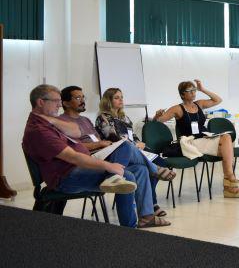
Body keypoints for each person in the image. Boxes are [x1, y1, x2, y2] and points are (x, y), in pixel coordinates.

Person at [22, 85, 166, 228]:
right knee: (127, 174)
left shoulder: (47, 122)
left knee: (139, 169)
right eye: (56, 101)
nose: (59, 105)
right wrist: (109, 166)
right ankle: (128, 228)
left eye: (60, 101)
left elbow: (76, 132)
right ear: (41, 102)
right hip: (66, 175)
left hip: (81, 164)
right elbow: (73, 157)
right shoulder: (39, 131)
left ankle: (145, 217)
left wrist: (50, 119)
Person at [62, 86, 174, 219]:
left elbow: (129, 135)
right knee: (128, 148)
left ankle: (146, 216)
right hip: (103, 155)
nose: (82, 100)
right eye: (78, 97)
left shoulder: (88, 120)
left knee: (142, 168)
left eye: (83, 97)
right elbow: (111, 139)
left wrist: (139, 144)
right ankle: (153, 174)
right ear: (66, 103)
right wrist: (100, 144)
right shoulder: (70, 121)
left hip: (112, 151)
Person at [154, 80, 239, 198]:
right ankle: (230, 184)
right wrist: (156, 116)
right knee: (227, 149)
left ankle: (229, 183)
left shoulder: (199, 104)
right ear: (182, 94)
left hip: (205, 138)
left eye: (194, 90)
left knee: (226, 139)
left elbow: (218, 100)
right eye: (189, 91)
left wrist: (203, 89)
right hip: (190, 142)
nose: (193, 93)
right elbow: (158, 122)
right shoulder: (178, 108)